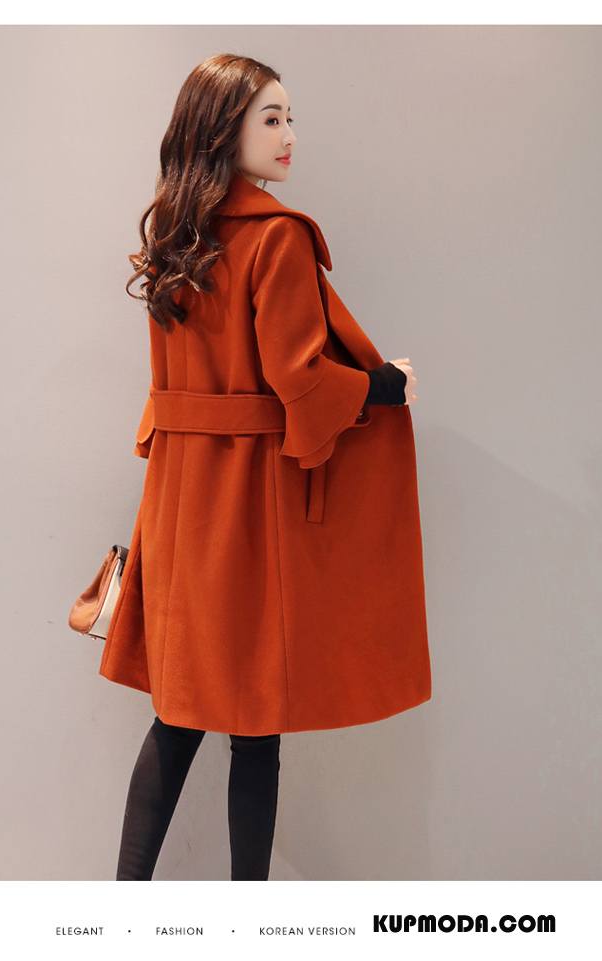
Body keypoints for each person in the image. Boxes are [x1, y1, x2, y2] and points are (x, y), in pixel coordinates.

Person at [102, 53, 432, 881]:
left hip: (178, 500)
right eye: (272, 118)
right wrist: (384, 385)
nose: (290, 136)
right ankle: (249, 916)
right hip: (247, 508)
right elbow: (301, 381)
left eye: (290, 118)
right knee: (255, 725)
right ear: (224, 131)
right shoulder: (276, 236)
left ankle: (118, 909)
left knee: (178, 715)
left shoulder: (175, 236)